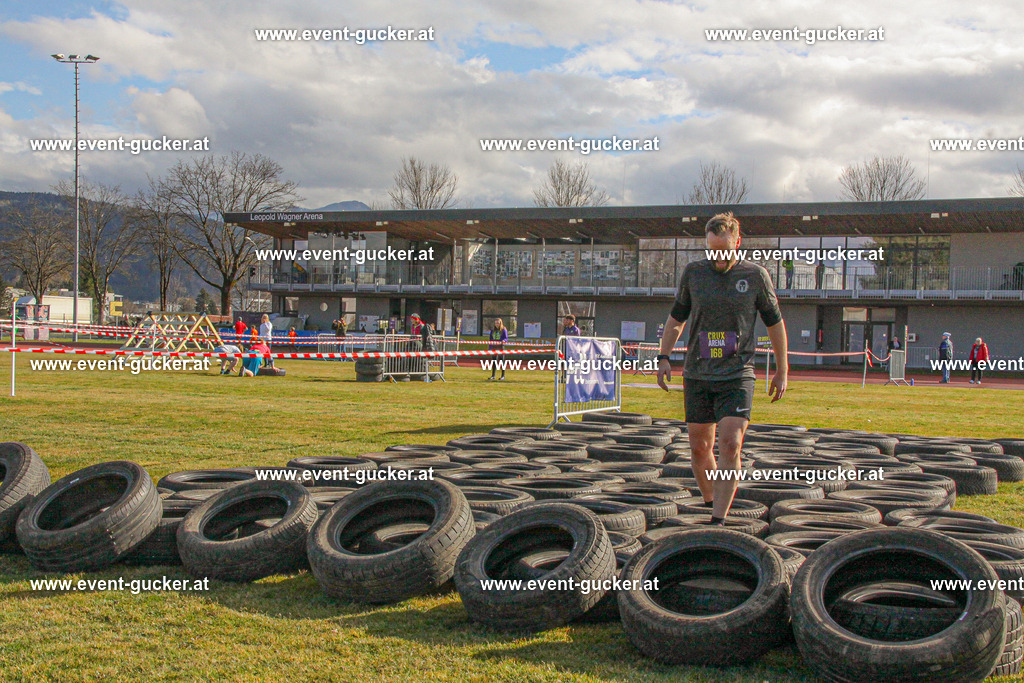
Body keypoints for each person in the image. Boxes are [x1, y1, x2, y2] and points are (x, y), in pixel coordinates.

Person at [656, 212, 788, 526]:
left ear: (737, 243)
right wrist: (663, 357)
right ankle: (711, 502)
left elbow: (775, 324)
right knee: (700, 448)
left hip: (737, 373)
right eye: (712, 250)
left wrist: (782, 370)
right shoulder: (693, 274)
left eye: (724, 250)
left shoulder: (756, 276)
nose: (718, 257)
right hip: (698, 374)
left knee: (731, 443)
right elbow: (677, 319)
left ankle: (718, 521)